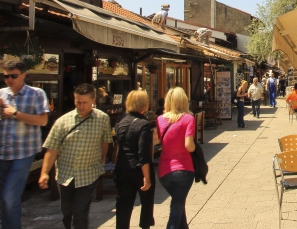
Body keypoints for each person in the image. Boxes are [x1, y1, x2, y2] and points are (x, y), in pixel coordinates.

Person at [39, 83, 113, 229]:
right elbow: (52, 148)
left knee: (80, 211)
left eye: (85, 102)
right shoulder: (62, 122)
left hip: (88, 173)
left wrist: (102, 160)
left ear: (93, 101)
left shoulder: (102, 119)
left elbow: (105, 141)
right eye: (78, 102)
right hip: (66, 174)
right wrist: (44, 173)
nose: (81, 105)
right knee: (66, 211)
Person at [0, 60, 49, 229]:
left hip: (23, 154)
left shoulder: (36, 94)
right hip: (0, 154)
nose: (10, 79)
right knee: (1, 199)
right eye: (6, 76)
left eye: (14, 75)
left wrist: (15, 114)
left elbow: (43, 120)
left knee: (9, 197)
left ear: (23, 74)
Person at [156, 87, 196, 229]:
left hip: (164, 171)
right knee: (177, 206)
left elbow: (163, 142)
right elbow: (189, 146)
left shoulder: (160, 119)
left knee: (179, 204)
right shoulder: (188, 119)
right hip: (183, 169)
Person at [115, 90, 155, 229]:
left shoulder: (121, 122)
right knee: (146, 202)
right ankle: (145, 225)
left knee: (123, 205)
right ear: (144, 105)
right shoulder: (143, 124)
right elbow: (142, 152)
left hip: (122, 167)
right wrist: (147, 176)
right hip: (138, 170)